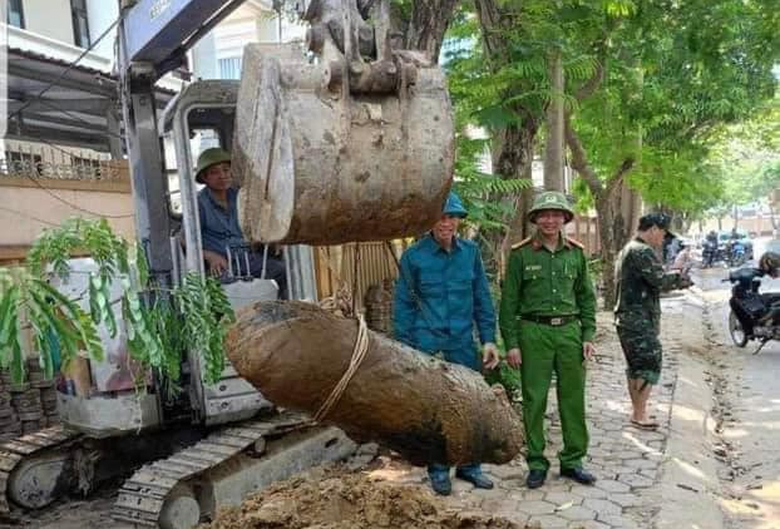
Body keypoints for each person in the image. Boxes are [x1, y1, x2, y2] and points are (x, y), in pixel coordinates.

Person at [393, 191, 500, 496]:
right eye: (442, 216)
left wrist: (489, 339)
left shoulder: (470, 253)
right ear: (430, 221)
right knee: (436, 410)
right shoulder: (414, 257)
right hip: (428, 346)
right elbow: (403, 306)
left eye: (453, 217)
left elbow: (482, 298)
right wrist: (405, 349)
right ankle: (439, 468)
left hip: (463, 345)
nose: (447, 222)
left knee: (471, 404)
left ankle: (470, 466)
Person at [498, 191, 597, 489]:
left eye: (556, 214)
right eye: (544, 214)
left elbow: (586, 298)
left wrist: (588, 334)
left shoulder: (576, 253)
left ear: (565, 218)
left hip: (569, 332)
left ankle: (572, 460)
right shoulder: (521, 254)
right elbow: (509, 304)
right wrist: (512, 343)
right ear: (536, 219)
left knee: (573, 398)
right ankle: (537, 462)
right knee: (534, 399)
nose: (550, 220)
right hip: (534, 333)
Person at [614, 213, 689, 431]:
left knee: (636, 366)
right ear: (655, 229)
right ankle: (639, 414)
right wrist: (678, 270)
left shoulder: (629, 249)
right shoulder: (641, 251)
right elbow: (660, 281)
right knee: (649, 363)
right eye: (664, 234)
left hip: (630, 317)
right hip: (638, 318)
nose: (664, 239)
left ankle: (639, 411)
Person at [195, 147, 288, 299]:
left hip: (248, 258)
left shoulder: (240, 195)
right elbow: (184, 240)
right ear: (205, 178)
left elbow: (257, 223)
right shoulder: (199, 203)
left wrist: (273, 238)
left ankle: (280, 314)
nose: (222, 176)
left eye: (225, 170)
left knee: (282, 271)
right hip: (222, 266)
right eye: (214, 172)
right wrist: (211, 256)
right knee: (228, 295)